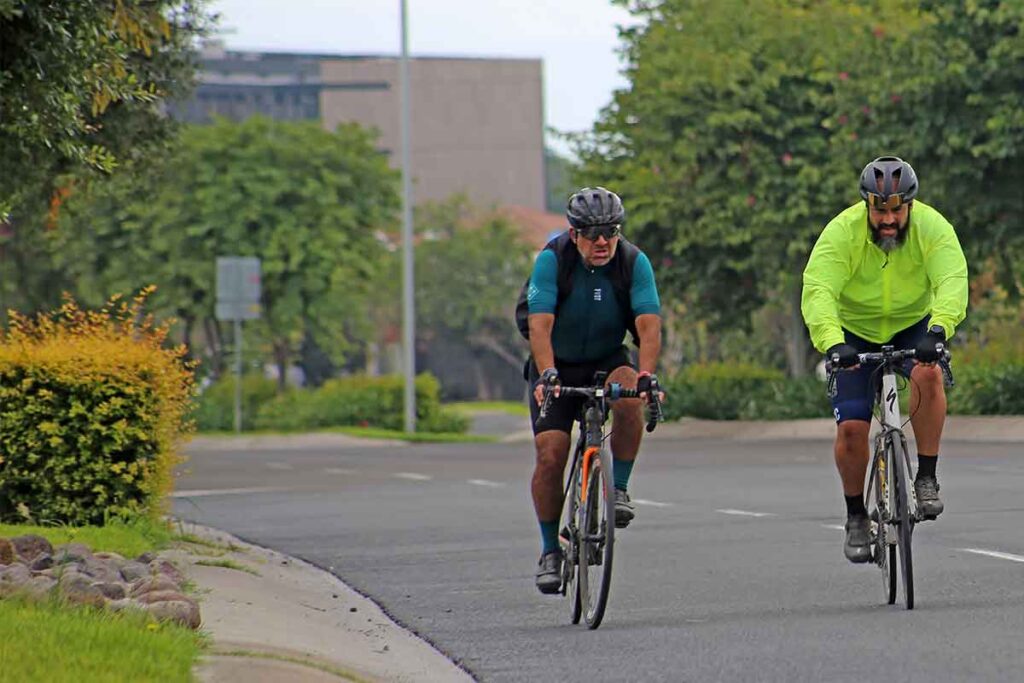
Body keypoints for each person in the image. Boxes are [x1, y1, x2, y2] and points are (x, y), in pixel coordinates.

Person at [801, 156, 968, 564]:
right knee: (854, 430)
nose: (889, 219)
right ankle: (856, 515)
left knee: (928, 375)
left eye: (897, 209)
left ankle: (926, 477)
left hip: (915, 325)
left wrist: (939, 329)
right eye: (880, 210)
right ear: (866, 206)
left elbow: (952, 278)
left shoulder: (933, 228)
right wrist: (832, 343)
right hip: (853, 332)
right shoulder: (842, 232)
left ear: (910, 205)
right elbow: (819, 287)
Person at [524, 186, 664, 594]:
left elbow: (648, 324)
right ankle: (551, 550)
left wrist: (648, 376)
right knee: (550, 454)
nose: (602, 241)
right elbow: (540, 325)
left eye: (610, 231)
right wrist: (547, 373)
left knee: (630, 392)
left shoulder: (633, 262)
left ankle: (617, 487)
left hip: (607, 358)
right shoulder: (552, 261)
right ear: (573, 233)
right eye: (591, 233)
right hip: (557, 363)